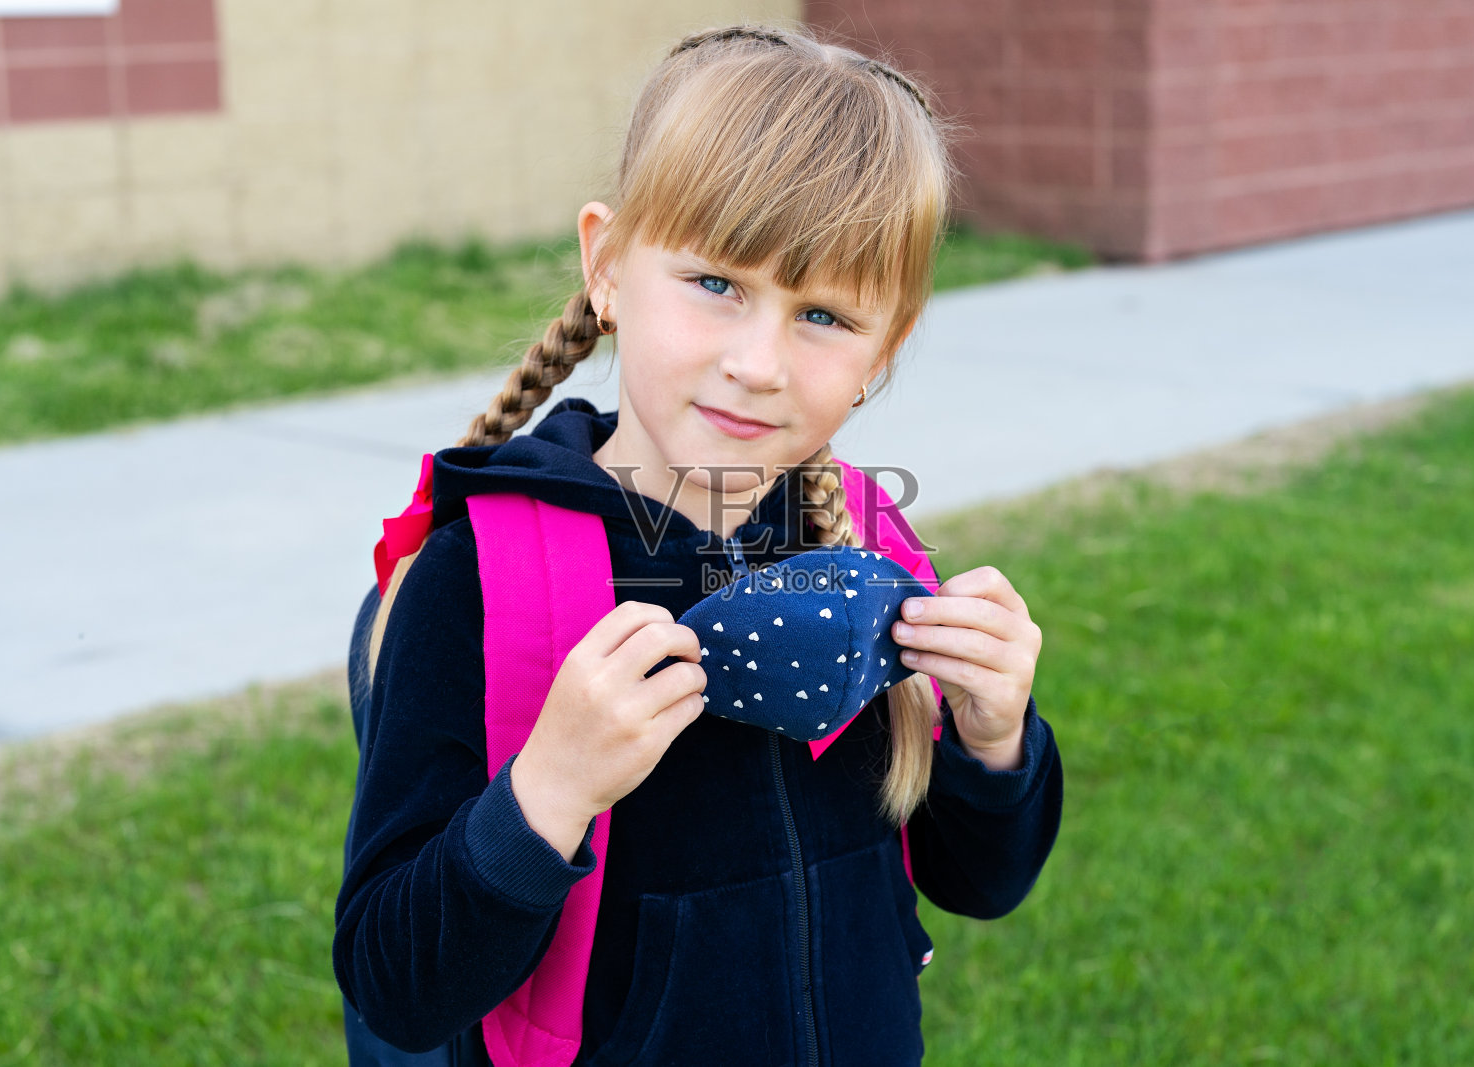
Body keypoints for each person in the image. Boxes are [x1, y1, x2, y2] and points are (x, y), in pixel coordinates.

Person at [335, 24, 1063, 1066]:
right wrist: (550, 789)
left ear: (883, 350)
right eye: (717, 284)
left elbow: (979, 880)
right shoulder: (482, 579)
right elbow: (395, 984)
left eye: (822, 313)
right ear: (609, 267)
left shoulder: (866, 543)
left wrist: (994, 739)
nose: (758, 363)